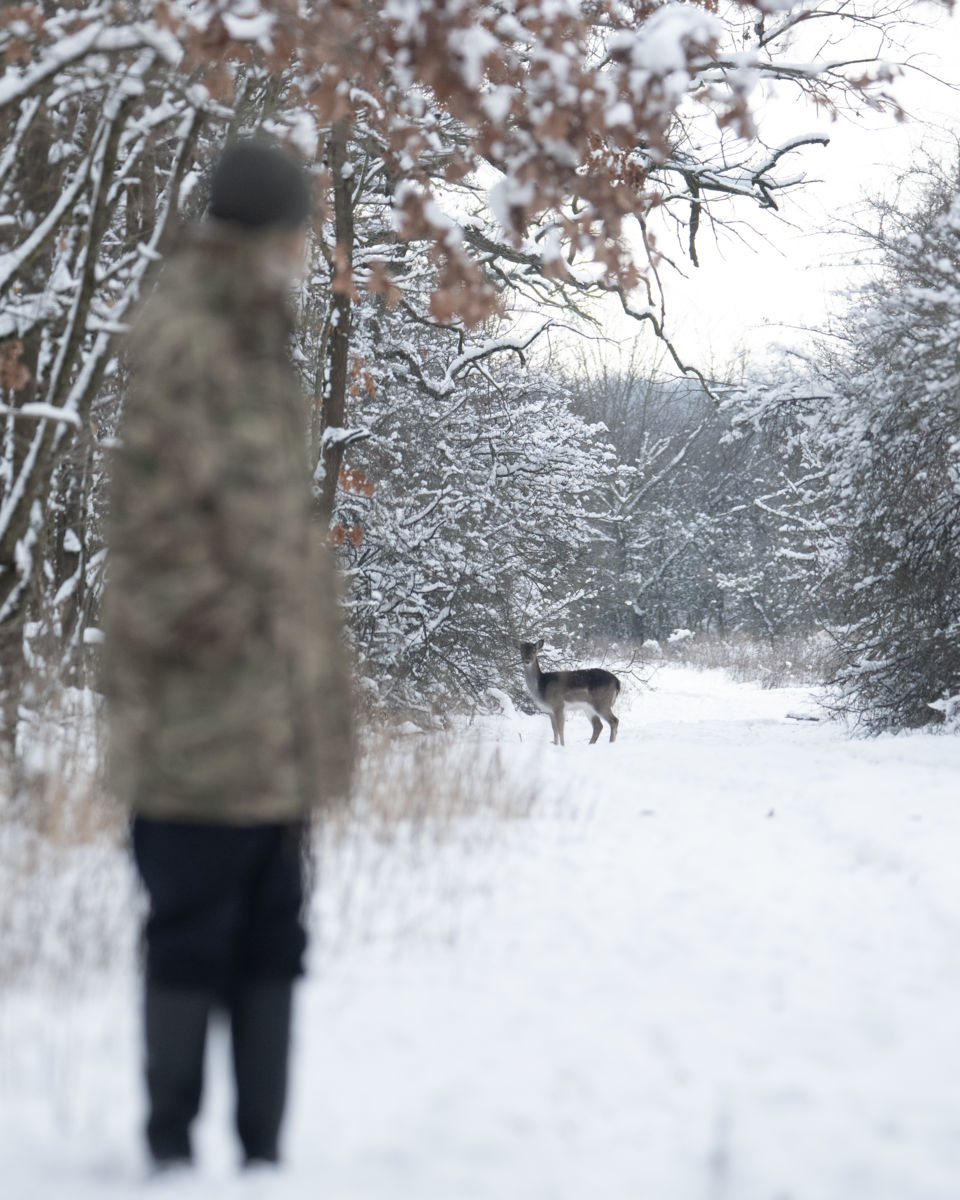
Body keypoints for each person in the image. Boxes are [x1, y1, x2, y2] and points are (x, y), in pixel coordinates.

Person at [104, 141, 353, 1171]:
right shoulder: (188, 341)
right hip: (200, 721)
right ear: (272, 232)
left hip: (269, 720)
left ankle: (262, 1165)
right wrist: (233, 636)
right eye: (302, 231)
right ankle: (169, 1159)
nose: (307, 251)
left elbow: (268, 537)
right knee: (195, 933)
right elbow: (155, 536)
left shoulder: (258, 343)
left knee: (272, 936)